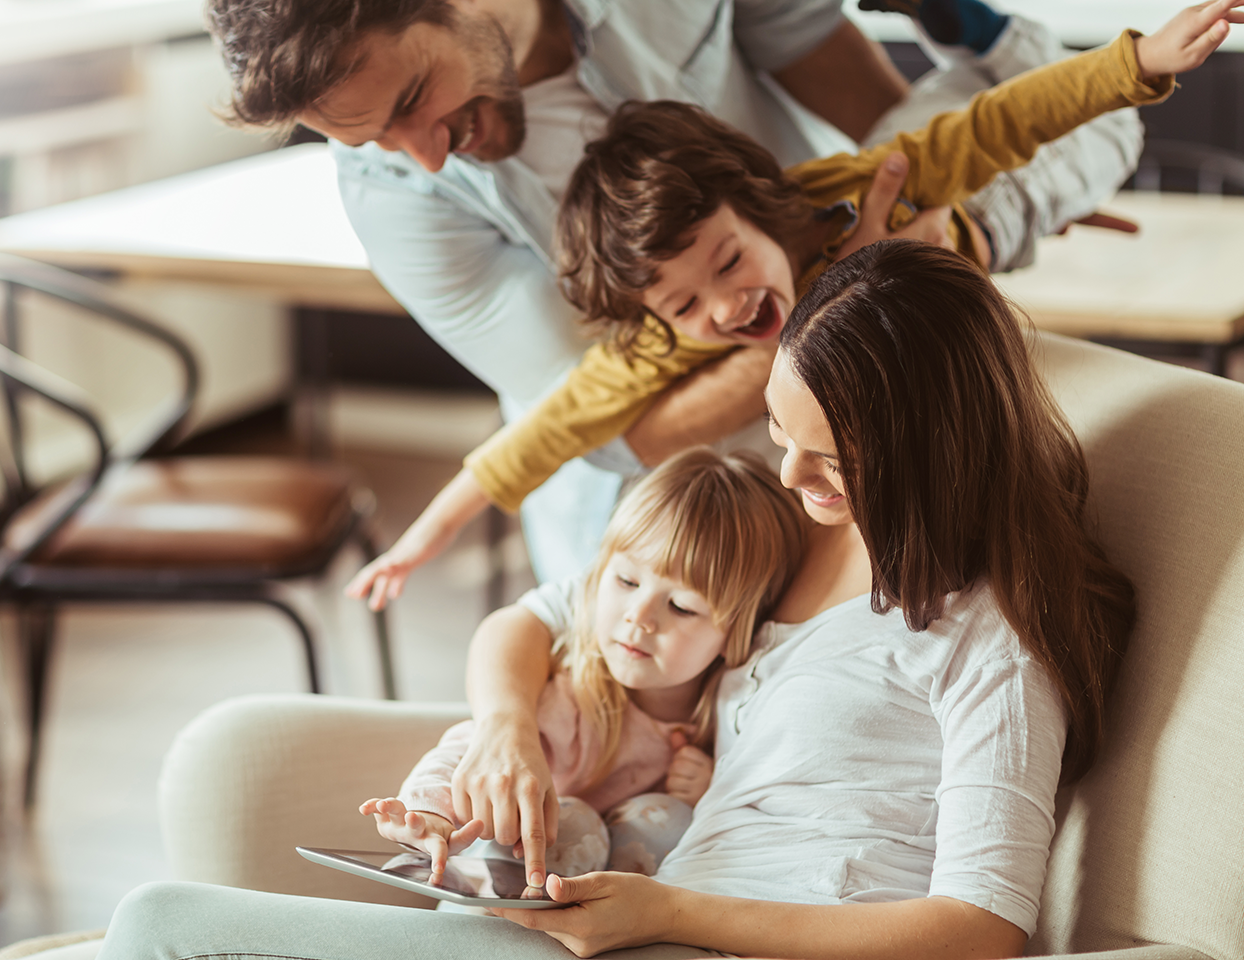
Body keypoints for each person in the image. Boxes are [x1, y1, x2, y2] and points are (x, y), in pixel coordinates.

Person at [92, 237, 1137, 960]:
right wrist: (506, 737)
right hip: (628, 924)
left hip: (693, 938)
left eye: (832, 460)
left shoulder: (991, 641)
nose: (790, 476)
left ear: (932, 456)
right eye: (781, 433)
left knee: (155, 929)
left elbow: (981, 926)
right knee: (163, 924)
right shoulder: (787, 541)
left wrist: (666, 912)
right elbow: (544, 618)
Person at [206, 0, 1143, 585]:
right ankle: (981, 227)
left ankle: (992, 203)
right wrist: (854, 287)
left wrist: (963, 185)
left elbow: (877, 119)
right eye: (370, 139)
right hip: (683, 501)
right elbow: (627, 431)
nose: (423, 153)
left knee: (1081, 125)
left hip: (850, 264)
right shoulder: (400, 203)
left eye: (412, 100)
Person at [362, 447, 808, 881]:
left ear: (737, 636)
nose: (639, 616)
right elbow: (476, 750)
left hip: (616, 912)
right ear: (595, 580)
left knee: (672, 817)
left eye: (681, 607)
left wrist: (706, 790)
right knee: (575, 822)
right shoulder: (573, 700)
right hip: (503, 878)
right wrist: (427, 814)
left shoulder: (729, 717)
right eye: (627, 580)